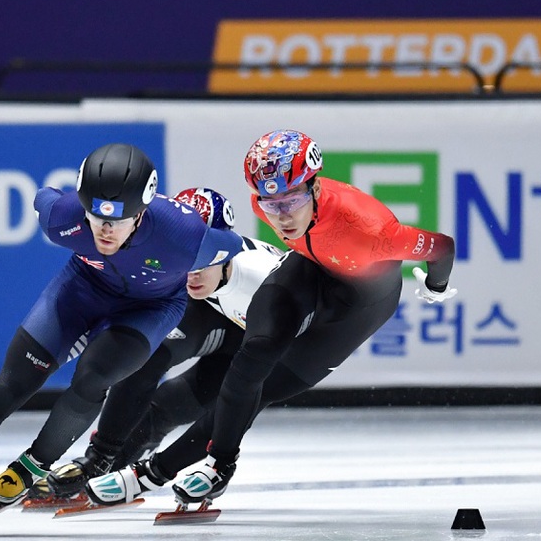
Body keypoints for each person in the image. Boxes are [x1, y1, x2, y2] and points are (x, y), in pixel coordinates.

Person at [0, 143, 243, 523]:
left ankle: (33, 466)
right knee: (10, 385)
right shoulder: (62, 218)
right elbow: (43, 197)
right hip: (82, 290)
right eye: (96, 218)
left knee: (94, 376)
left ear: (143, 212)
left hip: (150, 309)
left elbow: (235, 246)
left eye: (118, 220)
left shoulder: (185, 238)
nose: (105, 231)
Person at [86, 129, 457, 508]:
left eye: (291, 201)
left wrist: (436, 285)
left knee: (265, 388)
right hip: (311, 269)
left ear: (313, 187)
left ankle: (155, 472)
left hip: (358, 307)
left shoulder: (372, 232)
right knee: (250, 361)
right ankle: (218, 465)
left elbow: (442, 246)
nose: (281, 216)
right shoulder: (275, 204)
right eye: (269, 204)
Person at [45, 186, 285, 498]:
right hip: (210, 314)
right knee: (148, 362)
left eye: (202, 259)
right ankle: (102, 463)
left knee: (212, 397)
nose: (191, 272)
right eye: (185, 258)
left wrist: (218, 458)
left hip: (257, 335)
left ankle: (211, 470)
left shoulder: (262, 277)